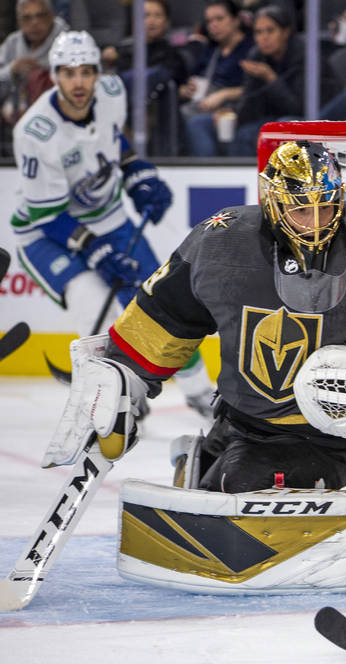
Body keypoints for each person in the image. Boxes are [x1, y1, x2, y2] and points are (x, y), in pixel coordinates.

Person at [66, 140, 346, 594]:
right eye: (301, 210)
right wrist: (122, 381)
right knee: (215, 499)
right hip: (239, 419)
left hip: (330, 436)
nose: (316, 222)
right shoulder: (220, 239)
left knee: (232, 494)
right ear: (271, 199)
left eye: (326, 208)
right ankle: (214, 462)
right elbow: (165, 316)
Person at [9, 31, 213, 417]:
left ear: (98, 73)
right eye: (69, 73)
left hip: (108, 218)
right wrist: (96, 249)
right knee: (94, 308)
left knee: (165, 301)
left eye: (87, 72)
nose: (79, 82)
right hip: (44, 233)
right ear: (55, 76)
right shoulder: (36, 133)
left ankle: (200, 392)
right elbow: (47, 215)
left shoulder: (112, 94)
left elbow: (111, 140)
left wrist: (137, 174)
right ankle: (118, 398)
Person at [223, 5, 309, 156]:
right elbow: (249, 105)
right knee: (244, 132)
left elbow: (299, 107)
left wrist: (271, 78)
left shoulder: (304, 55)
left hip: (309, 116)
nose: (264, 37)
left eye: (270, 31)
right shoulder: (256, 56)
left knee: (283, 125)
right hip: (271, 117)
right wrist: (232, 111)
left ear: (285, 32)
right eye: (258, 32)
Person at [179, 0, 254, 157]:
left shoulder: (251, 49)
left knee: (196, 123)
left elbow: (256, 89)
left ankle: (206, 173)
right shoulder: (211, 50)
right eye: (209, 21)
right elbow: (192, 78)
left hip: (237, 109)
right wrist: (187, 89)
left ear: (235, 20)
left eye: (219, 19)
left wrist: (224, 94)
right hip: (204, 105)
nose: (213, 25)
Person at [0, 0, 70, 125]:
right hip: (14, 114)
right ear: (19, 22)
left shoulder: (67, 40)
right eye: (27, 18)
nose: (34, 23)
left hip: (59, 115)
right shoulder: (13, 42)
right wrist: (12, 69)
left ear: (51, 16)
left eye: (40, 16)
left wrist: (40, 69)